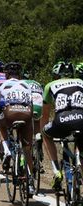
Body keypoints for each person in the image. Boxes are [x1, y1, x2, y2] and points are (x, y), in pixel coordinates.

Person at [41, 61, 83, 190]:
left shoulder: (50, 85)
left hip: (61, 120)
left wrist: (42, 128)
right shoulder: (81, 82)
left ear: (56, 75)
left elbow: (45, 114)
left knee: (45, 134)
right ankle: (79, 162)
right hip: (81, 119)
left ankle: (56, 171)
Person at [0, 62, 35, 194]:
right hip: (26, 113)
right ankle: (30, 183)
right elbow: (32, 104)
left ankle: (6, 150)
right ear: (19, 74)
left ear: (6, 74)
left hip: (10, 112)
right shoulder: (26, 85)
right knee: (27, 149)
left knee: (0, 125)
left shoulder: (2, 85)